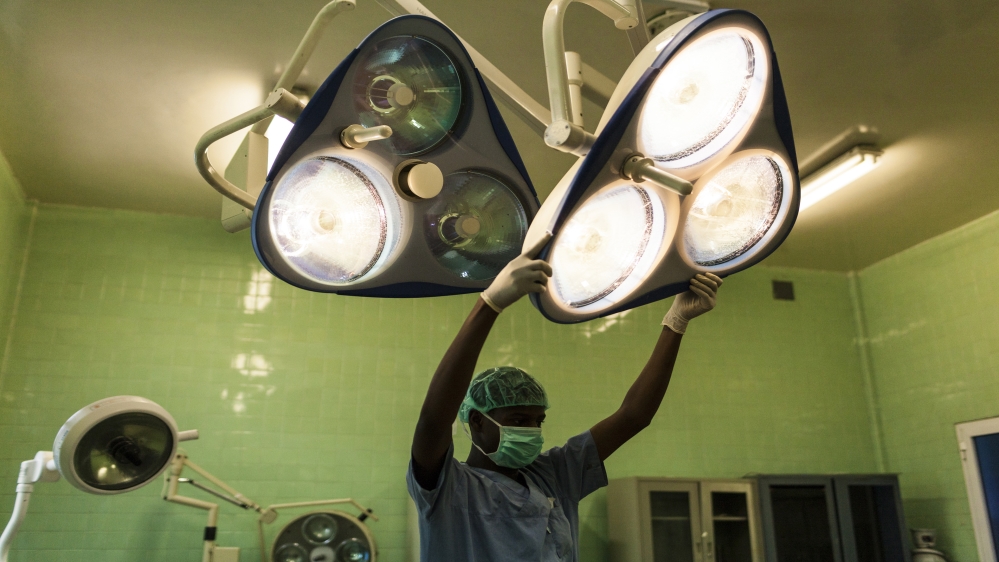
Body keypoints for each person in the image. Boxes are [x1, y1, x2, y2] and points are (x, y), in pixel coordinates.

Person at [407, 234, 723, 562]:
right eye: (517, 420)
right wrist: (489, 304)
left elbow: (633, 416)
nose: (532, 431)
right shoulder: (448, 487)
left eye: (537, 421)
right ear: (476, 421)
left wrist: (676, 323)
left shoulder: (553, 476)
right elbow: (433, 420)